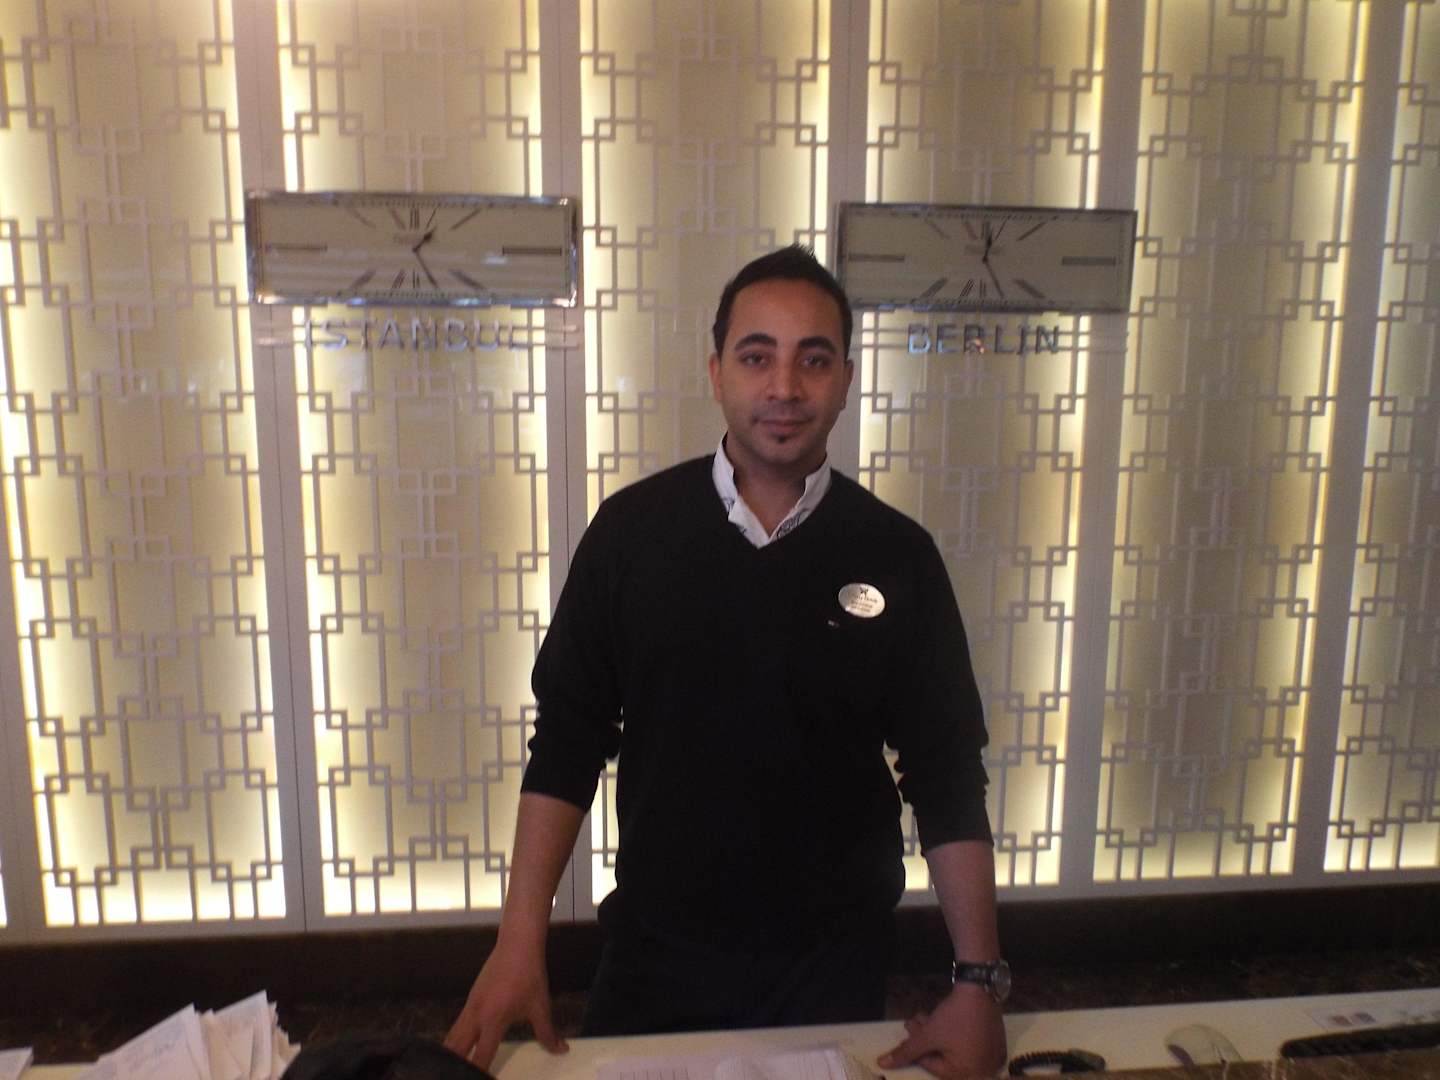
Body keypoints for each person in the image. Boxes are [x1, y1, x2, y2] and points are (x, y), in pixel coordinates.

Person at [444, 246, 1007, 1079]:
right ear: (716, 373)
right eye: (756, 356)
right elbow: (567, 741)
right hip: (654, 953)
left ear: (846, 380)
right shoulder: (631, 535)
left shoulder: (898, 555)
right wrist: (517, 941)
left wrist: (978, 981)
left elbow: (946, 770)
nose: (784, 387)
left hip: (832, 964)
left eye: (813, 360)